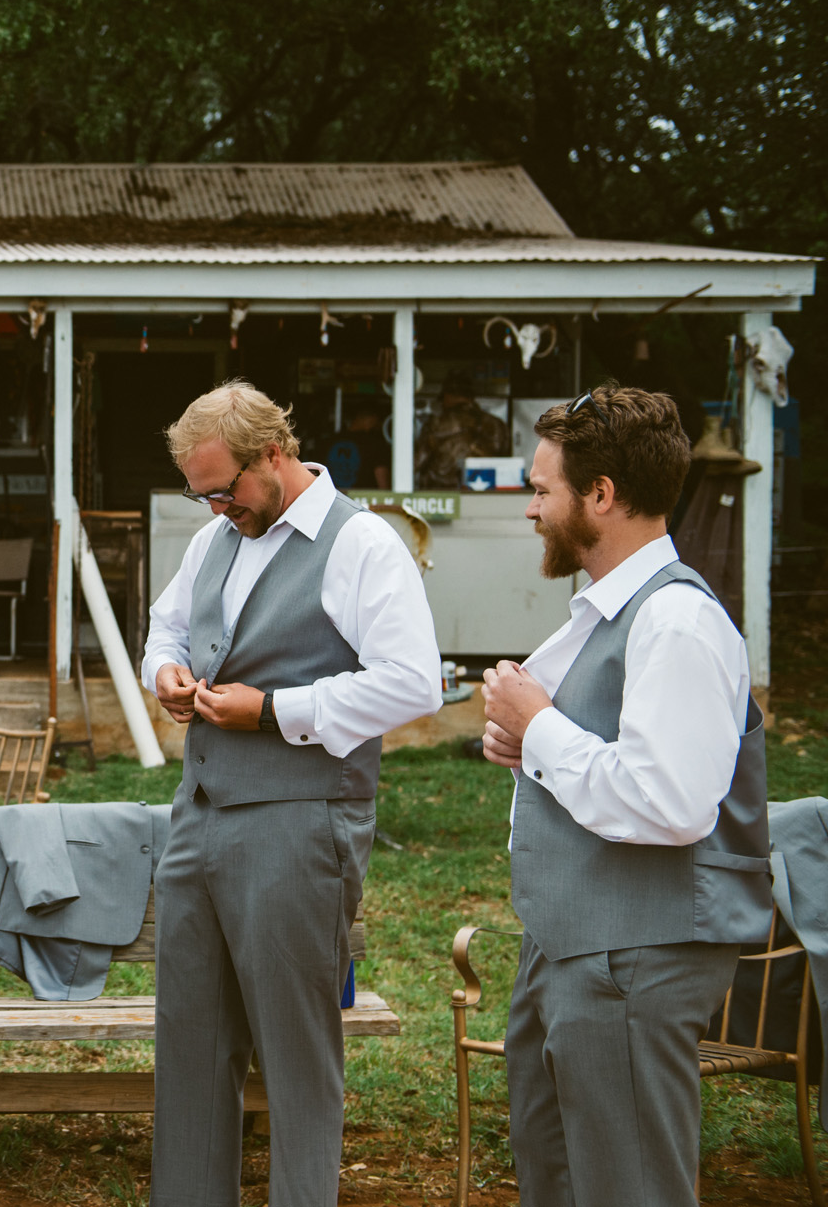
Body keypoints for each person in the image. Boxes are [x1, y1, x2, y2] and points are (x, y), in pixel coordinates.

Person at [142, 380, 440, 1207]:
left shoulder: (362, 545)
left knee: (296, 1055)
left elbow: (414, 684)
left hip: (300, 824)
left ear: (272, 455)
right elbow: (166, 626)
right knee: (191, 1047)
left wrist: (277, 712)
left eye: (224, 489)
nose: (213, 508)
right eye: (200, 494)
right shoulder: (215, 540)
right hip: (198, 816)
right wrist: (163, 672)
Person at [481, 385, 770, 1207]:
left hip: (634, 954)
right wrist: (525, 746)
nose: (531, 510)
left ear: (600, 496)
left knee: (628, 1188)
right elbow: (598, 756)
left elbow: (670, 803)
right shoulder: (601, 614)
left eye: (542, 490)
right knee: (562, 1177)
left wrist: (538, 726)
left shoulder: (674, 621)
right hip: (574, 942)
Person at [415, 373, 511, 490]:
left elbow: (416, 463)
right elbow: (508, 467)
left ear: (447, 396)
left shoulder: (435, 425)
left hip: (444, 494)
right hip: (487, 494)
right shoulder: (497, 425)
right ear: (471, 397)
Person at [324, 403, 391, 492]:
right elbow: (383, 484)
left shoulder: (328, 442)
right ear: (371, 419)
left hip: (333, 500)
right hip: (364, 502)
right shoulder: (375, 443)